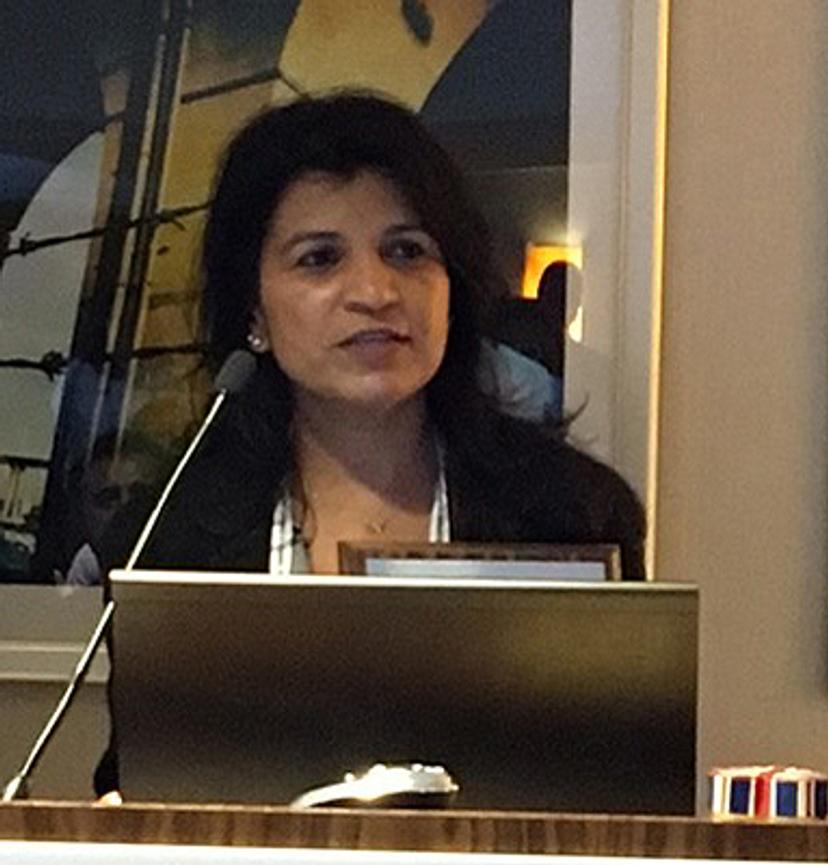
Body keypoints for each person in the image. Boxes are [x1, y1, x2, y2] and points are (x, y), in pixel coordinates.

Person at [94, 91, 645, 797]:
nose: (375, 290)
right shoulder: (170, 537)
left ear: (452, 288)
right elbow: (140, 795)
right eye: (320, 259)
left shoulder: (571, 515)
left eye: (407, 251)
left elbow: (618, 790)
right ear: (253, 311)